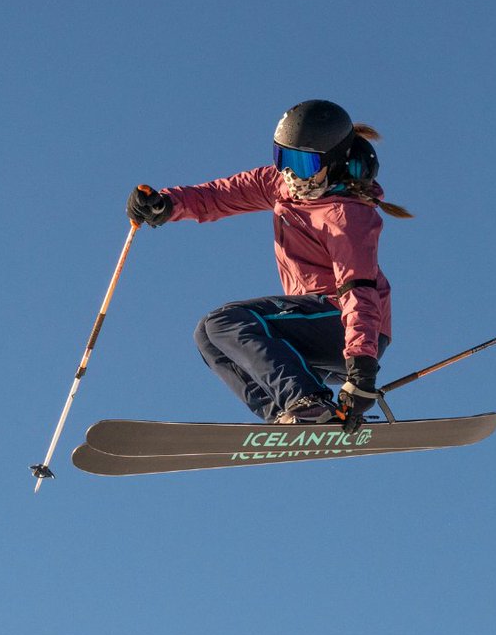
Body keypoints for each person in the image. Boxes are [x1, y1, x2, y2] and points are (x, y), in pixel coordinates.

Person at [126, 99, 414, 429]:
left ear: (332, 162)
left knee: (225, 321)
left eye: (303, 163)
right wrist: (167, 204)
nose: (290, 172)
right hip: (314, 324)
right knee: (208, 335)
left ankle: (308, 401)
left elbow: (358, 292)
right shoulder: (278, 186)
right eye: (283, 158)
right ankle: (285, 415)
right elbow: (219, 196)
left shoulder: (346, 216)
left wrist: (362, 370)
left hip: (350, 328)